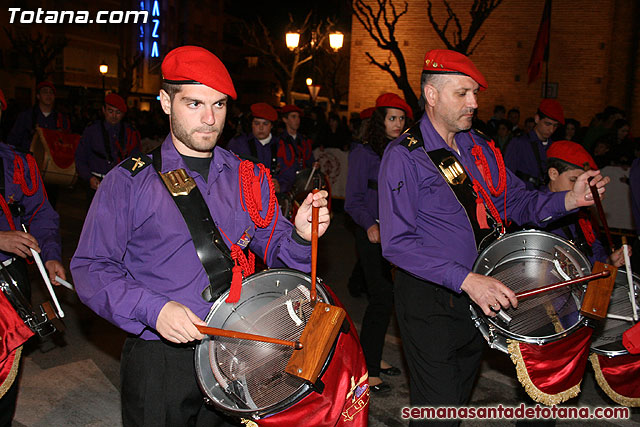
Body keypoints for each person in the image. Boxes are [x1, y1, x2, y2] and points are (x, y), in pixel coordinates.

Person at [70, 46, 330, 427]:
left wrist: (304, 236)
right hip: (160, 356)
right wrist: (153, 309)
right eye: (194, 103)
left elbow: (278, 250)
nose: (210, 119)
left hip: (237, 351)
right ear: (165, 102)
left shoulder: (247, 177)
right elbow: (91, 268)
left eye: (220, 105)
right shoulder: (129, 181)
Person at [377, 49, 608, 425]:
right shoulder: (404, 156)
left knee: (457, 401)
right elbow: (397, 243)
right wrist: (466, 280)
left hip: (482, 293)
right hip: (432, 299)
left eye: (475, 93)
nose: (475, 102)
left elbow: (516, 200)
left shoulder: (478, 146)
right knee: (439, 413)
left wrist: (570, 198)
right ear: (432, 95)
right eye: (463, 93)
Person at [0, 88, 66, 426]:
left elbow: (41, 213)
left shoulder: (17, 163)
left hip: (10, 284)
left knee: (5, 372)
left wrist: (51, 255)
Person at [345, 92, 411, 394]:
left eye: (401, 118)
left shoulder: (399, 150)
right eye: (392, 118)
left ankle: (373, 356)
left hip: (395, 235)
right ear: (380, 120)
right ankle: (368, 369)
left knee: (388, 298)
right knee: (382, 296)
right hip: (371, 232)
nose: (397, 124)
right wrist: (370, 224)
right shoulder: (363, 152)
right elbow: (353, 200)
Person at [543, 140, 626, 267]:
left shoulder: (581, 210)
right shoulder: (538, 210)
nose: (579, 187)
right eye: (573, 180)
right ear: (553, 174)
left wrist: (609, 261)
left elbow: (592, 248)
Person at [74, 94, 141, 206]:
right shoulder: (92, 131)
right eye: (110, 111)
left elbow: (136, 158)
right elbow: (80, 157)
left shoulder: (130, 133)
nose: (114, 115)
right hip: (96, 183)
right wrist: (89, 177)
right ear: (103, 110)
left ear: (123, 114)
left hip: (121, 186)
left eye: (118, 112)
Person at [504, 98, 565, 189]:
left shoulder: (554, 147)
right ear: (537, 119)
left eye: (555, 126)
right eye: (547, 124)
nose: (551, 130)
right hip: (523, 196)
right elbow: (506, 176)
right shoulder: (519, 143)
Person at [226, 102, 282, 191]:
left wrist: (280, 184)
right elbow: (228, 173)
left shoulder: (282, 146)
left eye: (265, 124)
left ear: (271, 126)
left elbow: (289, 172)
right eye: (256, 123)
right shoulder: (238, 144)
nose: (261, 128)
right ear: (251, 124)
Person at [7, 81, 71, 153]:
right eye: (45, 92)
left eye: (51, 92)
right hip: (29, 160)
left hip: (53, 162)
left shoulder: (62, 120)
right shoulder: (26, 117)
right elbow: (12, 141)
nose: (48, 95)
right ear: (38, 96)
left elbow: (68, 145)